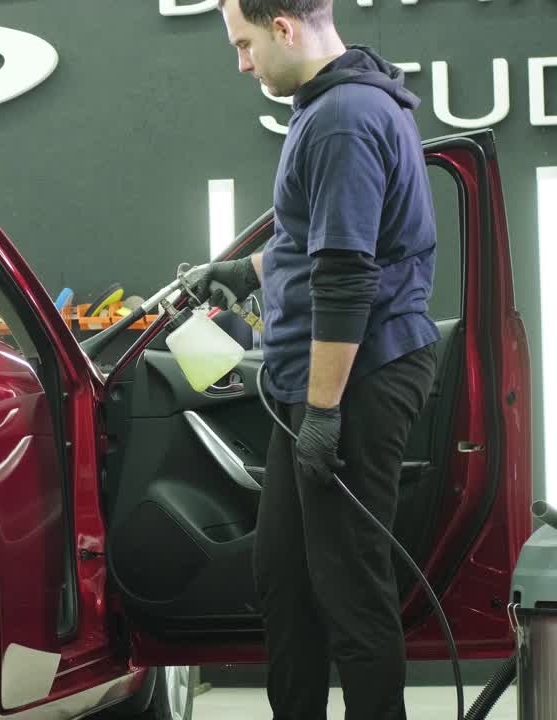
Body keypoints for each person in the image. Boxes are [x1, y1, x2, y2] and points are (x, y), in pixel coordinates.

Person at [185, 1, 439, 718]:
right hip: (322, 379)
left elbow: (348, 276)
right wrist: (253, 271)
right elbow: (322, 236)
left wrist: (324, 411)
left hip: (356, 378)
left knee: (348, 588)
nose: (242, 63)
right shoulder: (337, 103)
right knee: (286, 580)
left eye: (244, 44)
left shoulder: (341, 118)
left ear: (284, 28)